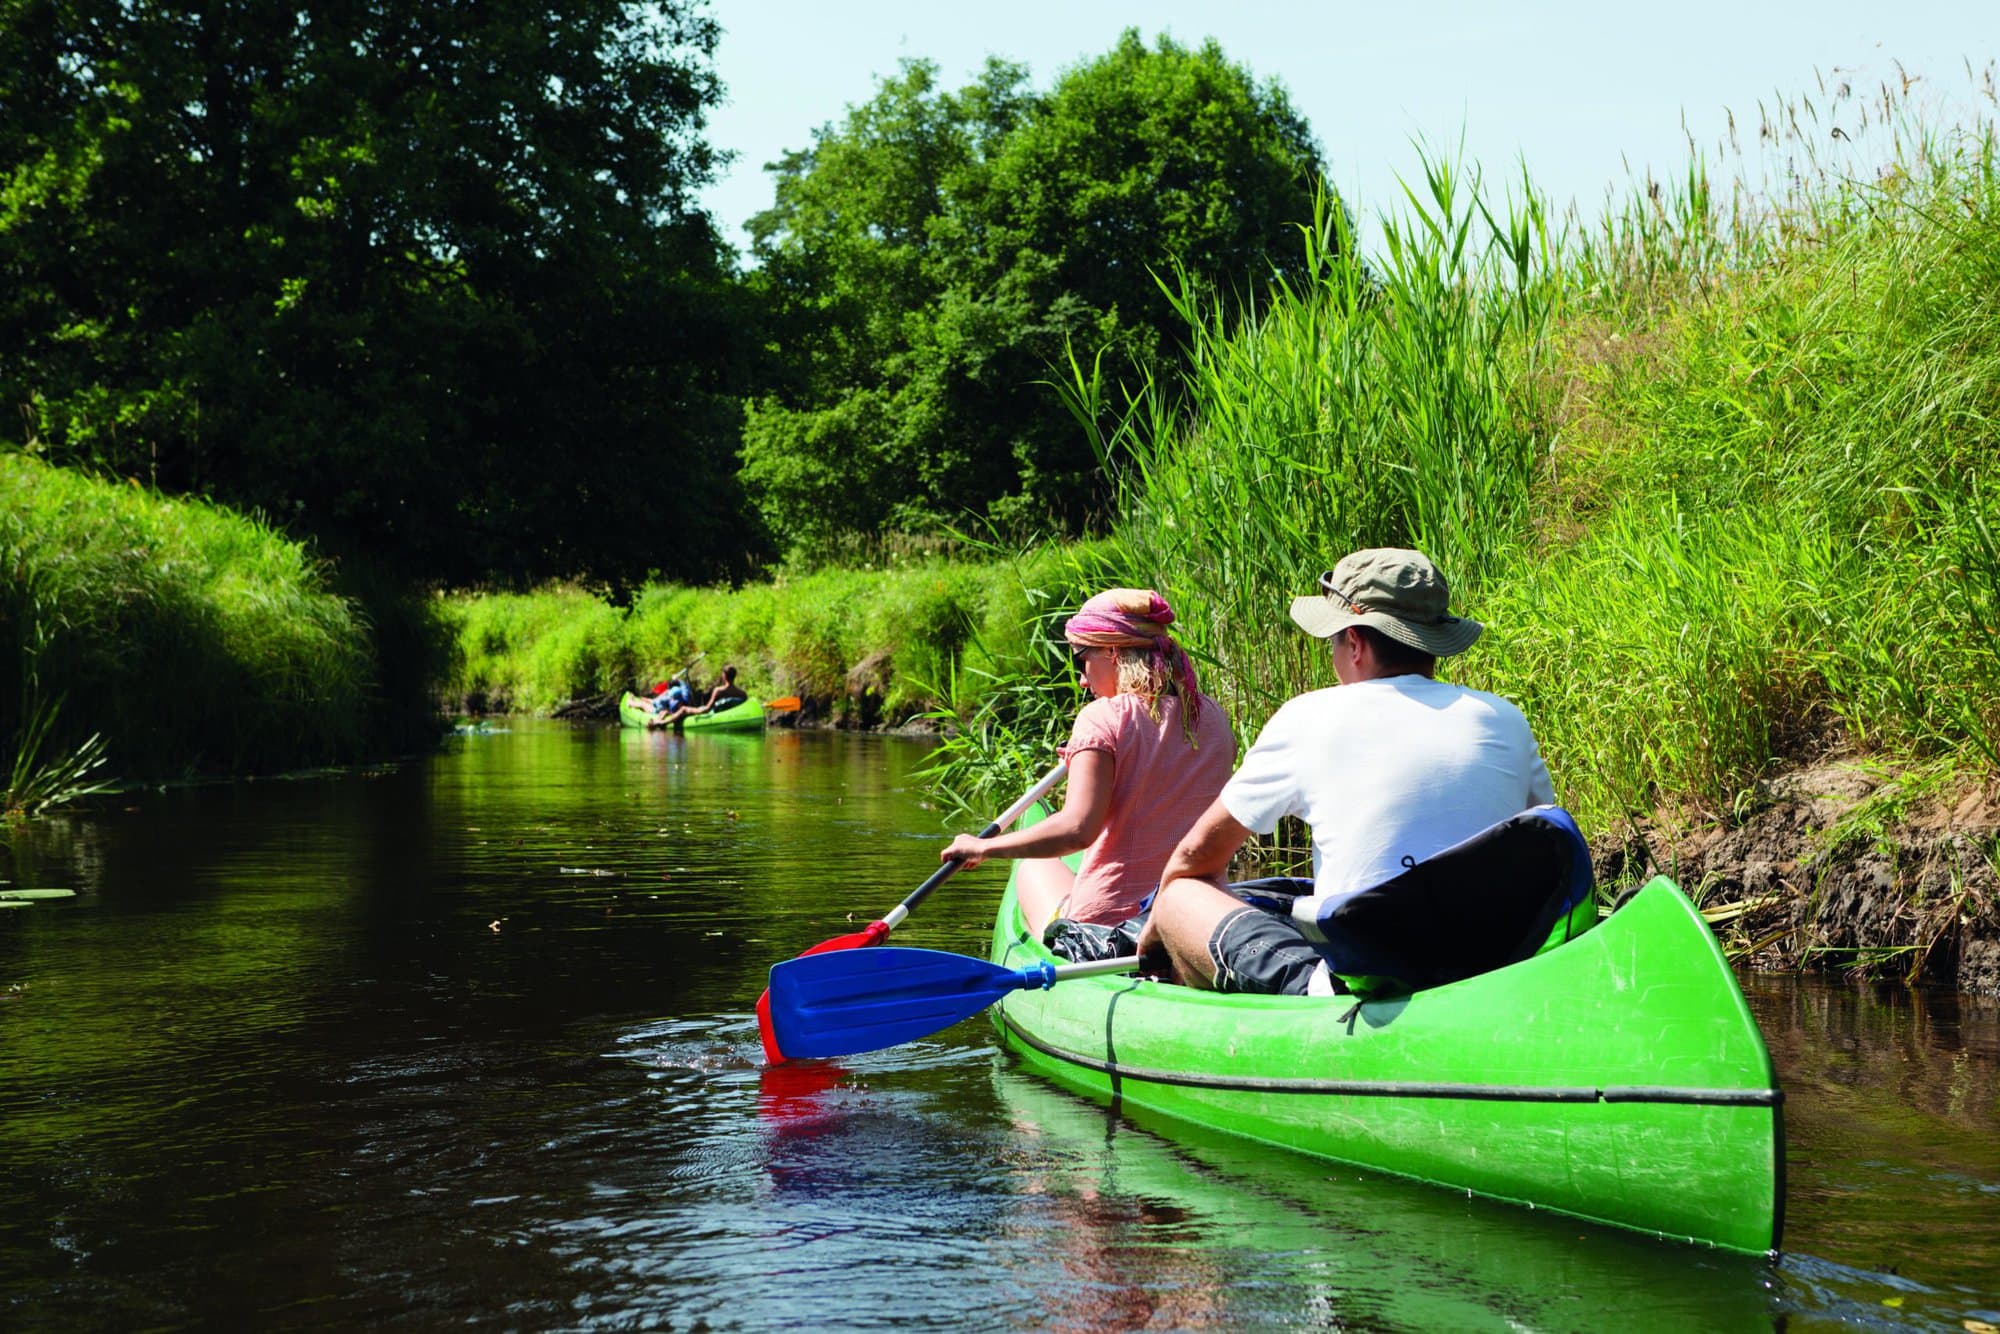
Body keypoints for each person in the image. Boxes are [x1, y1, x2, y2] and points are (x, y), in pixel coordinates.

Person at [1137, 548, 1554, 995]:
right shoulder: (1504, 718)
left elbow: (1196, 858)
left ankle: (1252, 1001)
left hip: (1370, 978)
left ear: (1354, 642)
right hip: (1492, 962)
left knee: (1180, 894)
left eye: (1334, 640)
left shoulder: (1308, 717)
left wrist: (1157, 930)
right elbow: (1543, 837)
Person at [939, 588, 1234, 938]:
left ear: (1112, 651)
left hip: (1110, 926)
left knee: (1033, 865)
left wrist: (983, 847)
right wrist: (1091, 757)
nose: (1081, 679)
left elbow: (1078, 830)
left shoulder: (1102, 717)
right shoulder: (1214, 716)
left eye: (1081, 659)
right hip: (1196, 920)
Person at [659, 664, 749, 725]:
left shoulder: (718, 690)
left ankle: (662, 722)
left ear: (724, 676)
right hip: (729, 713)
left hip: (714, 713)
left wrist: (696, 709)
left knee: (683, 709)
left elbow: (708, 708)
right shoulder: (742, 693)